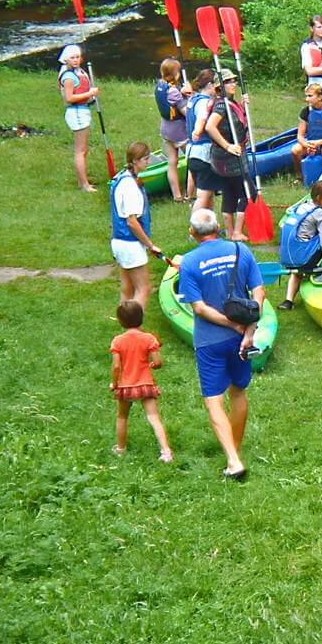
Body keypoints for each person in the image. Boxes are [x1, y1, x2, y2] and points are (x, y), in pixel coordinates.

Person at [177, 208, 265, 479]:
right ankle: (235, 448)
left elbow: (200, 308)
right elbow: (259, 292)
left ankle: (233, 460)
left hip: (209, 341)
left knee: (214, 401)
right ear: (219, 228)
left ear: (193, 233)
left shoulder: (189, 263)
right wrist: (248, 329)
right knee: (239, 392)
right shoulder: (241, 251)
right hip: (240, 341)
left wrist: (233, 325)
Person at [109, 299, 173, 462]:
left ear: (121, 321)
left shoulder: (118, 341)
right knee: (154, 417)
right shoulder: (149, 338)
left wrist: (115, 384)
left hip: (126, 386)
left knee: (122, 417)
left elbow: (116, 366)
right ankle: (166, 452)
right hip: (146, 385)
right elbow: (158, 362)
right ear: (141, 318)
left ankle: (121, 448)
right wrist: (153, 364)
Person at [111, 141, 168, 307]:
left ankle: (125, 326)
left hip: (118, 242)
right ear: (134, 161)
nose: (148, 162)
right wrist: (150, 245)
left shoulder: (122, 177)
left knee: (127, 288)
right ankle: (134, 329)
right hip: (130, 245)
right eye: (145, 159)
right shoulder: (130, 186)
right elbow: (132, 222)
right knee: (144, 289)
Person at [205, 70, 251, 241]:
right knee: (247, 192)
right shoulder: (221, 105)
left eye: (234, 80)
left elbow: (235, 122)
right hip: (230, 156)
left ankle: (231, 232)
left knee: (229, 193)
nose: (233, 84)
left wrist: (242, 106)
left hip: (221, 158)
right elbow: (210, 127)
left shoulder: (228, 103)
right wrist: (228, 146)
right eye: (228, 82)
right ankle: (237, 232)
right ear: (220, 87)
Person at [279, 179, 322, 310]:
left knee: (297, 271)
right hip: (305, 260)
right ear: (319, 198)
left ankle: (288, 301)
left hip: (288, 258)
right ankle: (321, 269)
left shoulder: (300, 207)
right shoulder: (320, 213)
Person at [57, 44, 100, 191]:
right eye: (72, 57)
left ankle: (83, 179)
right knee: (80, 151)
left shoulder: (78, 71)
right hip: (77, 113)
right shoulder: (69, 76)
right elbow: (69, 98)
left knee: (84, 150)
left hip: (82, 111)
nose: (75, 60)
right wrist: (90, 94)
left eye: (77, 57)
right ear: (66, 59)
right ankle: (84, 185)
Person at [155, 57, 192, 201]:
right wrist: (191, 97)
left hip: (166, 130)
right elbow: (186, 112)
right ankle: (190, 194)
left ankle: (177, 195)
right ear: (175, 74)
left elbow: (171, 100)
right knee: (193, 161)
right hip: (179, 133)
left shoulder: (160, 85)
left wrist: (182, 92)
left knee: (172, 162)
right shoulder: (174, 92)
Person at [184, 69, 220, 213]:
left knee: (209, 193)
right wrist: (198, 131)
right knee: (203, 196)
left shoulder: (193, 99)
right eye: (217, 85)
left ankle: (210, 227)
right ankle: (194, 230)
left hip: (192, 152)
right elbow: (202, 118)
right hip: (202, 154)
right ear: (210, 85)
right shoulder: (205, 103)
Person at [291, 83, 322, 170]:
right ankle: (300, 177)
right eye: (306, 96)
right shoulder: (305, 111)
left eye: (310, 96)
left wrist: (318, 143)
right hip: (311, 143)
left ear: (319, 97)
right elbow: (300, 136)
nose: (307, 99)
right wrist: (307, 145)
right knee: (295, 150)